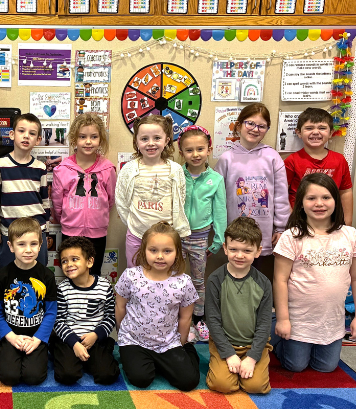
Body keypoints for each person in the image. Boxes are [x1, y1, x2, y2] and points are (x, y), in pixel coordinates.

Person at [272, 173, 356, 374]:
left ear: (336, 201)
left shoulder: (350, 235)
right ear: (301, 203)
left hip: (331, 322)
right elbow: (280, 280)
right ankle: (274, 331)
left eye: (326, 197)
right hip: (298, 320)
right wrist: (284, 319)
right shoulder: (291, 237)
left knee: (326, 367)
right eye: (311, 198)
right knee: (296, 365)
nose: (319, 203)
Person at [114, 221, 201, 391]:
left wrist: (181, 344)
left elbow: (185, 317)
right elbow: (120, 306)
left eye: (167, 251)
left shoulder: (183, 282)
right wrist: (122, 335)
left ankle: (189, 350)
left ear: (177, 253)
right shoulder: (131, 276)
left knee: (188, 382)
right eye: (153, 250)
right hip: (134, 340)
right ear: (144, 251)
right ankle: (145, 361)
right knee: (140, 379)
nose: (160, 256)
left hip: (167, 342)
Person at [215, 102, 289, 280]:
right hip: (234, 231)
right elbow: (218, 198)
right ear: (239, 125)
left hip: (265, 231)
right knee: (235, 273)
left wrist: (280, 227)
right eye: (250, 123)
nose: (255, 129)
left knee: (259, 276)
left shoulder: (272, 157)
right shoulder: (226, 158)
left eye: (262, 126)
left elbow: (280, 195)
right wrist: (220, 229)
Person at [204, 216, 273, 395]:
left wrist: (252, 357)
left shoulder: (264, 283)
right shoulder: (215, 280)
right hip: (224, 343)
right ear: (225, 248)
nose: (240, 255)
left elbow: (265, 323)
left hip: (254, 345)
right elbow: (212, 320)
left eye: (247, 250)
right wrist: (228, 354)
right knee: (222, 385)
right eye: (234, 249)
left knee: (255, 387)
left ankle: (250, 366)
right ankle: (230, 367)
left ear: (258, 251)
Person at [0, 217, 57, 387]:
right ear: (11, 246)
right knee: (8, 377)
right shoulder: (2, 275)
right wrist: (10, 337)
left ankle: (43, 350)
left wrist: (38, 339)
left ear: (40, 245)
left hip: (36, 336)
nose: (28, 250)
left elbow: (51, 312)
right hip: (12, 335)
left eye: (33, 244)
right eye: (21, 244)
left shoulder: (47, 276)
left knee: (33, 377)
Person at [116, 113, 190, 268]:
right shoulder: (129, 169)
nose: (151, 143)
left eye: (157, 138)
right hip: (136, 235)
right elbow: (121, 201)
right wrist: (132, 224)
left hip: (166, 237)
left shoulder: (174, 169)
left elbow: (180, 200)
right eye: (144, 139)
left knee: (165, 276)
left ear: (167, 140)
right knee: (135, 275)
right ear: (136, 142)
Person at [0, 113, 54, 268]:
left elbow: (45, 201)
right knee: (10, 278)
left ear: (38, 140)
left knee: (38, 276)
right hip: (9, 233)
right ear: (12, 134)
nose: (26, 136)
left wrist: (46, 231)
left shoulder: (40, 167)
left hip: (37, 233)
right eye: (21, 131)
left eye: (32, 133)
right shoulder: (0, 165)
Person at [51, 114, 115, 276]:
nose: (88, 141)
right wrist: (65, 220)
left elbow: (111, 199)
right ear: (74, 139)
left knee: (94, 272)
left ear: (100, 139)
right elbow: (57, 201)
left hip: (97, 232)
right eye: (82, 137)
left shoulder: (107, 169)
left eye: (93, 137)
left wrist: (98, 216)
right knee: (72, 272)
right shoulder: (63, 169)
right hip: (70, 231)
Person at [53, 235, 120, 386]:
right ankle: (60, 351)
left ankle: (102, 350)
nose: (69, 264)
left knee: (108, 376)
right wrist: (74, 343)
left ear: (89, 262)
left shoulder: (104, 286)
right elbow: (58, 321)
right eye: (64, 261)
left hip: (94, 338)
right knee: (67, 375)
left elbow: (110, 316)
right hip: (69, 340)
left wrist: (96, 335)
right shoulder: (62, 289)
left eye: (75, 259)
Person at [179, 125, 226, 340]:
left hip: (200, 238)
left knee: (198, 281)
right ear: (181, 153)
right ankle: (176, 318)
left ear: (209, 149)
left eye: (200, 149)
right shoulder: (176, 175)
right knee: (173, 278)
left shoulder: (215, 179)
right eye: (189, 150)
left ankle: (198, 318)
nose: (195, 154)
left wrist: (218, 240)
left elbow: (220, 210)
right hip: (176, 237)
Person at [283, 108, 353, 224]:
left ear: (331, 133)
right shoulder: (292, 161)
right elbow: (282, 193)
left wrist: (347, 223)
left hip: (331, 221)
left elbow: (345, 192)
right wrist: (291, 221)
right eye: (309, 128)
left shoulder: (339, 160)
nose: (315, 132)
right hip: (300, 222)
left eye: (322, 128)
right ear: (299, 132)